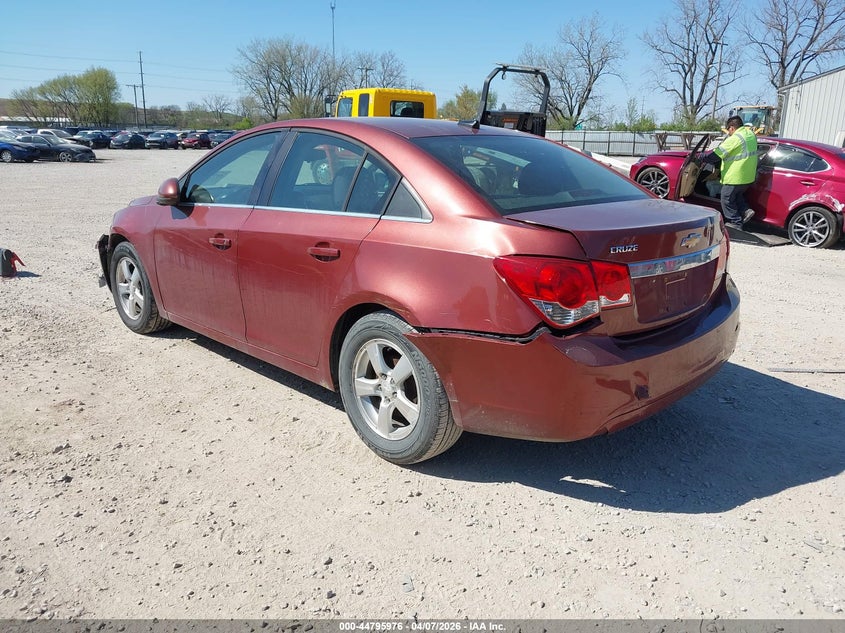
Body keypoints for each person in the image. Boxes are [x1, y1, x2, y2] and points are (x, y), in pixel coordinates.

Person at [703, 115, 758, 230]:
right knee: (736, 196)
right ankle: (746, 211)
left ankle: (735, 223)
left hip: (735, 176)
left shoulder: (735, 138)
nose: (728, 132)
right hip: (748, 176)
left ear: (732, 127)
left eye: (729, 130)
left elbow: (717, 155)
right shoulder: (750, 135)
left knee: (726, 198)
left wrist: (703, 158)